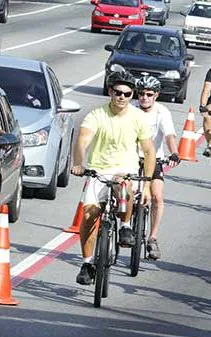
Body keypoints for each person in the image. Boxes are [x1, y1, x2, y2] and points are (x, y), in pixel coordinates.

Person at [71, 70, 156, 285]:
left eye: (127, 94)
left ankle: (125, 225)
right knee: (89, 216)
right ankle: (87, 263)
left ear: (132, 96)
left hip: (125, 169)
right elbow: (82, 140)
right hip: (98, 170)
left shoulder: (138, 118)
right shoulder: (97, 114)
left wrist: (147, 187)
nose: (121, 97)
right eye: (117, 92)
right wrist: (79, 164)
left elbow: (148, 152)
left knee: (124, 186)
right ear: (110, 92)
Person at [133, 75, 180, 260]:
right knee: (125, 193)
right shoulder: (130, 109)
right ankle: (125, 226)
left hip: (154, 161)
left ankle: (152, 237)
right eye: (141, 94)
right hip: (131, 159)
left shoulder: (162, 112)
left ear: (156, 95)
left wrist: (174, 153)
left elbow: (169, 135)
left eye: (149, 94)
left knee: (157, 196)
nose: (144, 97)